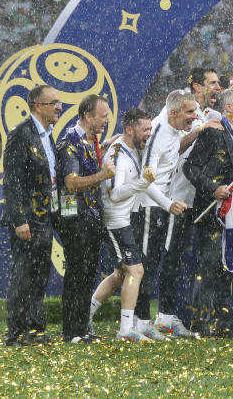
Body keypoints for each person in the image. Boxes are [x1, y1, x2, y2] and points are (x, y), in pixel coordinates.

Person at [90, 108, 187, 341]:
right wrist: (142, 183)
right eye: (145, 130)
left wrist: (162, 200)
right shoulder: (117, 154)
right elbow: (115, 194)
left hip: (126, 219)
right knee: (136, 270)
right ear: (130, 129)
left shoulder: (132, 149)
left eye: (151, 129)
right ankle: (126, 330)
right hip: (115, 221)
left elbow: (142, 184)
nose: (149, 135)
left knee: (120, 275)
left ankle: (87, 316)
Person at [183, 86, 233, 336]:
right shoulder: (214, 133)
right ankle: (201, 323)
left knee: (228, 266)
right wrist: (213, 188)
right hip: (213, 212)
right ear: (229, 108)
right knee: (209, 266)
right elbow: (190, 168)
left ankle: (222, 321)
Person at [1, 85, 61, 346]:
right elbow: (12, 182)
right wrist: (19, 219)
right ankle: (14, 332)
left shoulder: (49, 135)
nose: (59, 107)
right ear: (38, 106)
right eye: (54, 103)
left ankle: (35, 329)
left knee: (39, 274)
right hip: (27, 219)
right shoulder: (20, 134)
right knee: (23, 275)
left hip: (45, 217)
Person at [56, 93, 115, 343]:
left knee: (88, 272)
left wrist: (113, 142)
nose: (106, 120)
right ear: (87, 116)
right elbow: (71, 184)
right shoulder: (69, 141)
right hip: (74, 217)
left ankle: (82, 328)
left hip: (90, 216)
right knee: (77, 274)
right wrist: (103, 175)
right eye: (102, 117)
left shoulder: (94, 140)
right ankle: (71, 331)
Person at [141, 89, 200, 339]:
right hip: (148, 205)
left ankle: (163, 319)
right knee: (145, 265)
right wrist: (167, 204)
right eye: (190, 113)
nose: (194, 117)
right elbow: (144, 178)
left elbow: (173, 151)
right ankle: (140, 322)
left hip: (163, 204)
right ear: (173, 112)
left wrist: (199, 129)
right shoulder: (156, 131)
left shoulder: (174, 128)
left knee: (162, 261)